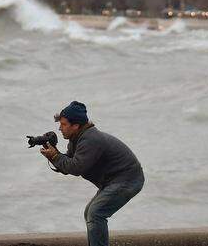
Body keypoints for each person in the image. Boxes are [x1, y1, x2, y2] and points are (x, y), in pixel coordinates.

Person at [39, 101, 144, 246]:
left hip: (127, 179)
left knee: (96, 213)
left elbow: (76, 168)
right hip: (114, 181)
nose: (59, 128)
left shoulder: (90, 139)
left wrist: (56, 157)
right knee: (90, 212)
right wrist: (53, 154)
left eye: (63, 124)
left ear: (75, 125)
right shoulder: (77, 139)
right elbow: (69, 165)